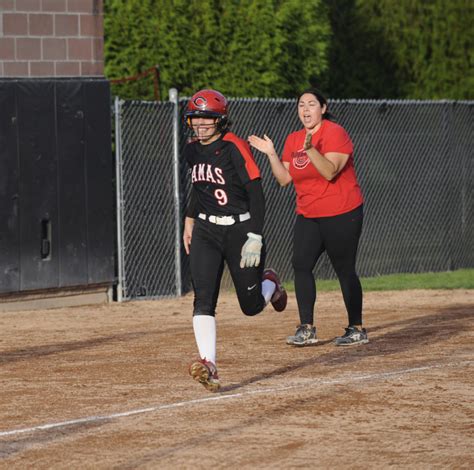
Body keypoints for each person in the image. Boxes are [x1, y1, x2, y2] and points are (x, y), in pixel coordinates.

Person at [183, 89, 287, 392]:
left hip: (240, 230)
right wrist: (189, 221)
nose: (200, 125)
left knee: (251, 306)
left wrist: (255, 234)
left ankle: (272, 284)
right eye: (195, 118)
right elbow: (198, 189)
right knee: (203, 299)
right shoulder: (191, 149)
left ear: (221, 120)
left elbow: (256, 193)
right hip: (206, 230)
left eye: (207, 119)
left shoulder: (233, 147)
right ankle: (209, 365)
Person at [248, 88, 367, 347]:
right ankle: (306, 328)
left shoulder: (335, 133)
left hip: (342, 212)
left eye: (312, 104)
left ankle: (356, 328)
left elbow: (330, 172)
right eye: (301, 104)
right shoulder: (293, 139)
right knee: (301, 265)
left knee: (344, 269)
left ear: (323, 108)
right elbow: (283, 179)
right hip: (308, 213)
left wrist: (311, 149)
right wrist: (270, 153)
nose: (305, 109)